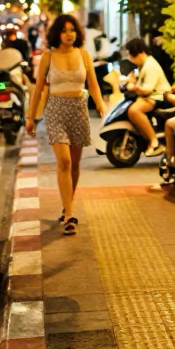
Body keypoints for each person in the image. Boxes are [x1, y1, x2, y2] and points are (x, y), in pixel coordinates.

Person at [26, 14, 105, 235]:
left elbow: (94, 85)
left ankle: (67, 203)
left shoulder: (84, 55)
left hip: (79, 109)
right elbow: (39, 87)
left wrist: (100, 105)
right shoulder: (48, 57)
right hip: (56, 110)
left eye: (72, 30)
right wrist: (31, 117)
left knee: (75, 164)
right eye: (64, 30)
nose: (69, 34)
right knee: (64, 161)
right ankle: (70, 214)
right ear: (57, 34)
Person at [125, 36, 173, 157]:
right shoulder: (144, 65)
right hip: (154, 96)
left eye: (132, 56)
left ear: (140, 53)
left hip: (160, 97)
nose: (131, 60)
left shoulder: (150, 67)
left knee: (134, 111)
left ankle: (154, 141)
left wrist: (134, 88)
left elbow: (147, 91)